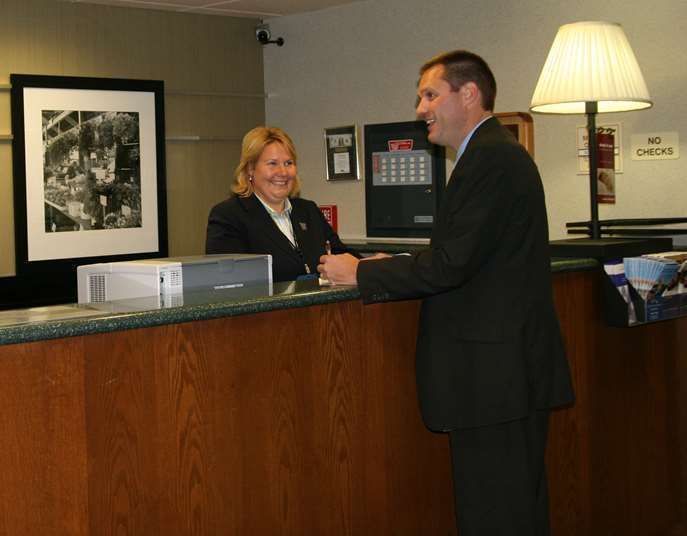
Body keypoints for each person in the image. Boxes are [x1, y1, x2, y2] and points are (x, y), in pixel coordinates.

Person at [318, 51, 574, 535]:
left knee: (499, 514)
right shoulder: (489, 155)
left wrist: (362, 275)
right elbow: (471, 255)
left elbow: (453, 264)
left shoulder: (492, 159)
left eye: (431, 94)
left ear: (469, 95)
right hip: (500, 379)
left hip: (496, 381)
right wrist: (391, 264)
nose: (420, 108)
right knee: (509, 507)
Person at [206, 126, 351, 282]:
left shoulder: (308, 210)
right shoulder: (228, 216)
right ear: (250, 169)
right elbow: (228, 282)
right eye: (272, 163)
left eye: (288, 163)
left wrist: (368, 265)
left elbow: (342, 256)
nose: (283, 172)